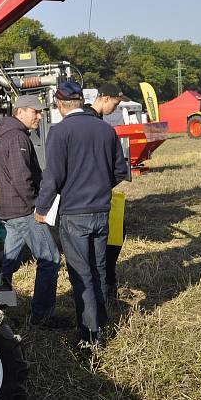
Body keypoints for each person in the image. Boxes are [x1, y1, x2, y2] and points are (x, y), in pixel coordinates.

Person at [34, 82, 127, 348]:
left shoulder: (60, 131)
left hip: (75, 214)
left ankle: (90, 336)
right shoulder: (106, 130)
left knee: (81, 273)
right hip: (101, 211)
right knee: (98, 269)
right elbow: (120, 172)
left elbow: (53, 177)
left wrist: (42, 209)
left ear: (61, 105)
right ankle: (100, 319)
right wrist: (98, 186)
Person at [0, 94, 63, 327]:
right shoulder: (16, 138)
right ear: (21, 112)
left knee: (7, 262)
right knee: (50, 258)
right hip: (24, 210)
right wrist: (38, 207)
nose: (39, 116)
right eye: (36, 112)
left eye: (41, 112)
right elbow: (21, 178)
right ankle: (41, 317)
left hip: (11, 210)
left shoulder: (9, 135)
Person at [85, 82, 130, 299]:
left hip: (91, 197)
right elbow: (120, 170)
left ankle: (108, 284)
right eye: (115, 102)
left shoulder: (94, 122)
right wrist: (101, 185)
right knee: (99, 252)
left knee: (116, 233)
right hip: (93, 201)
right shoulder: (98, 126)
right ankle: (103, 292)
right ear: (103, 98)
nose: (116, 108)